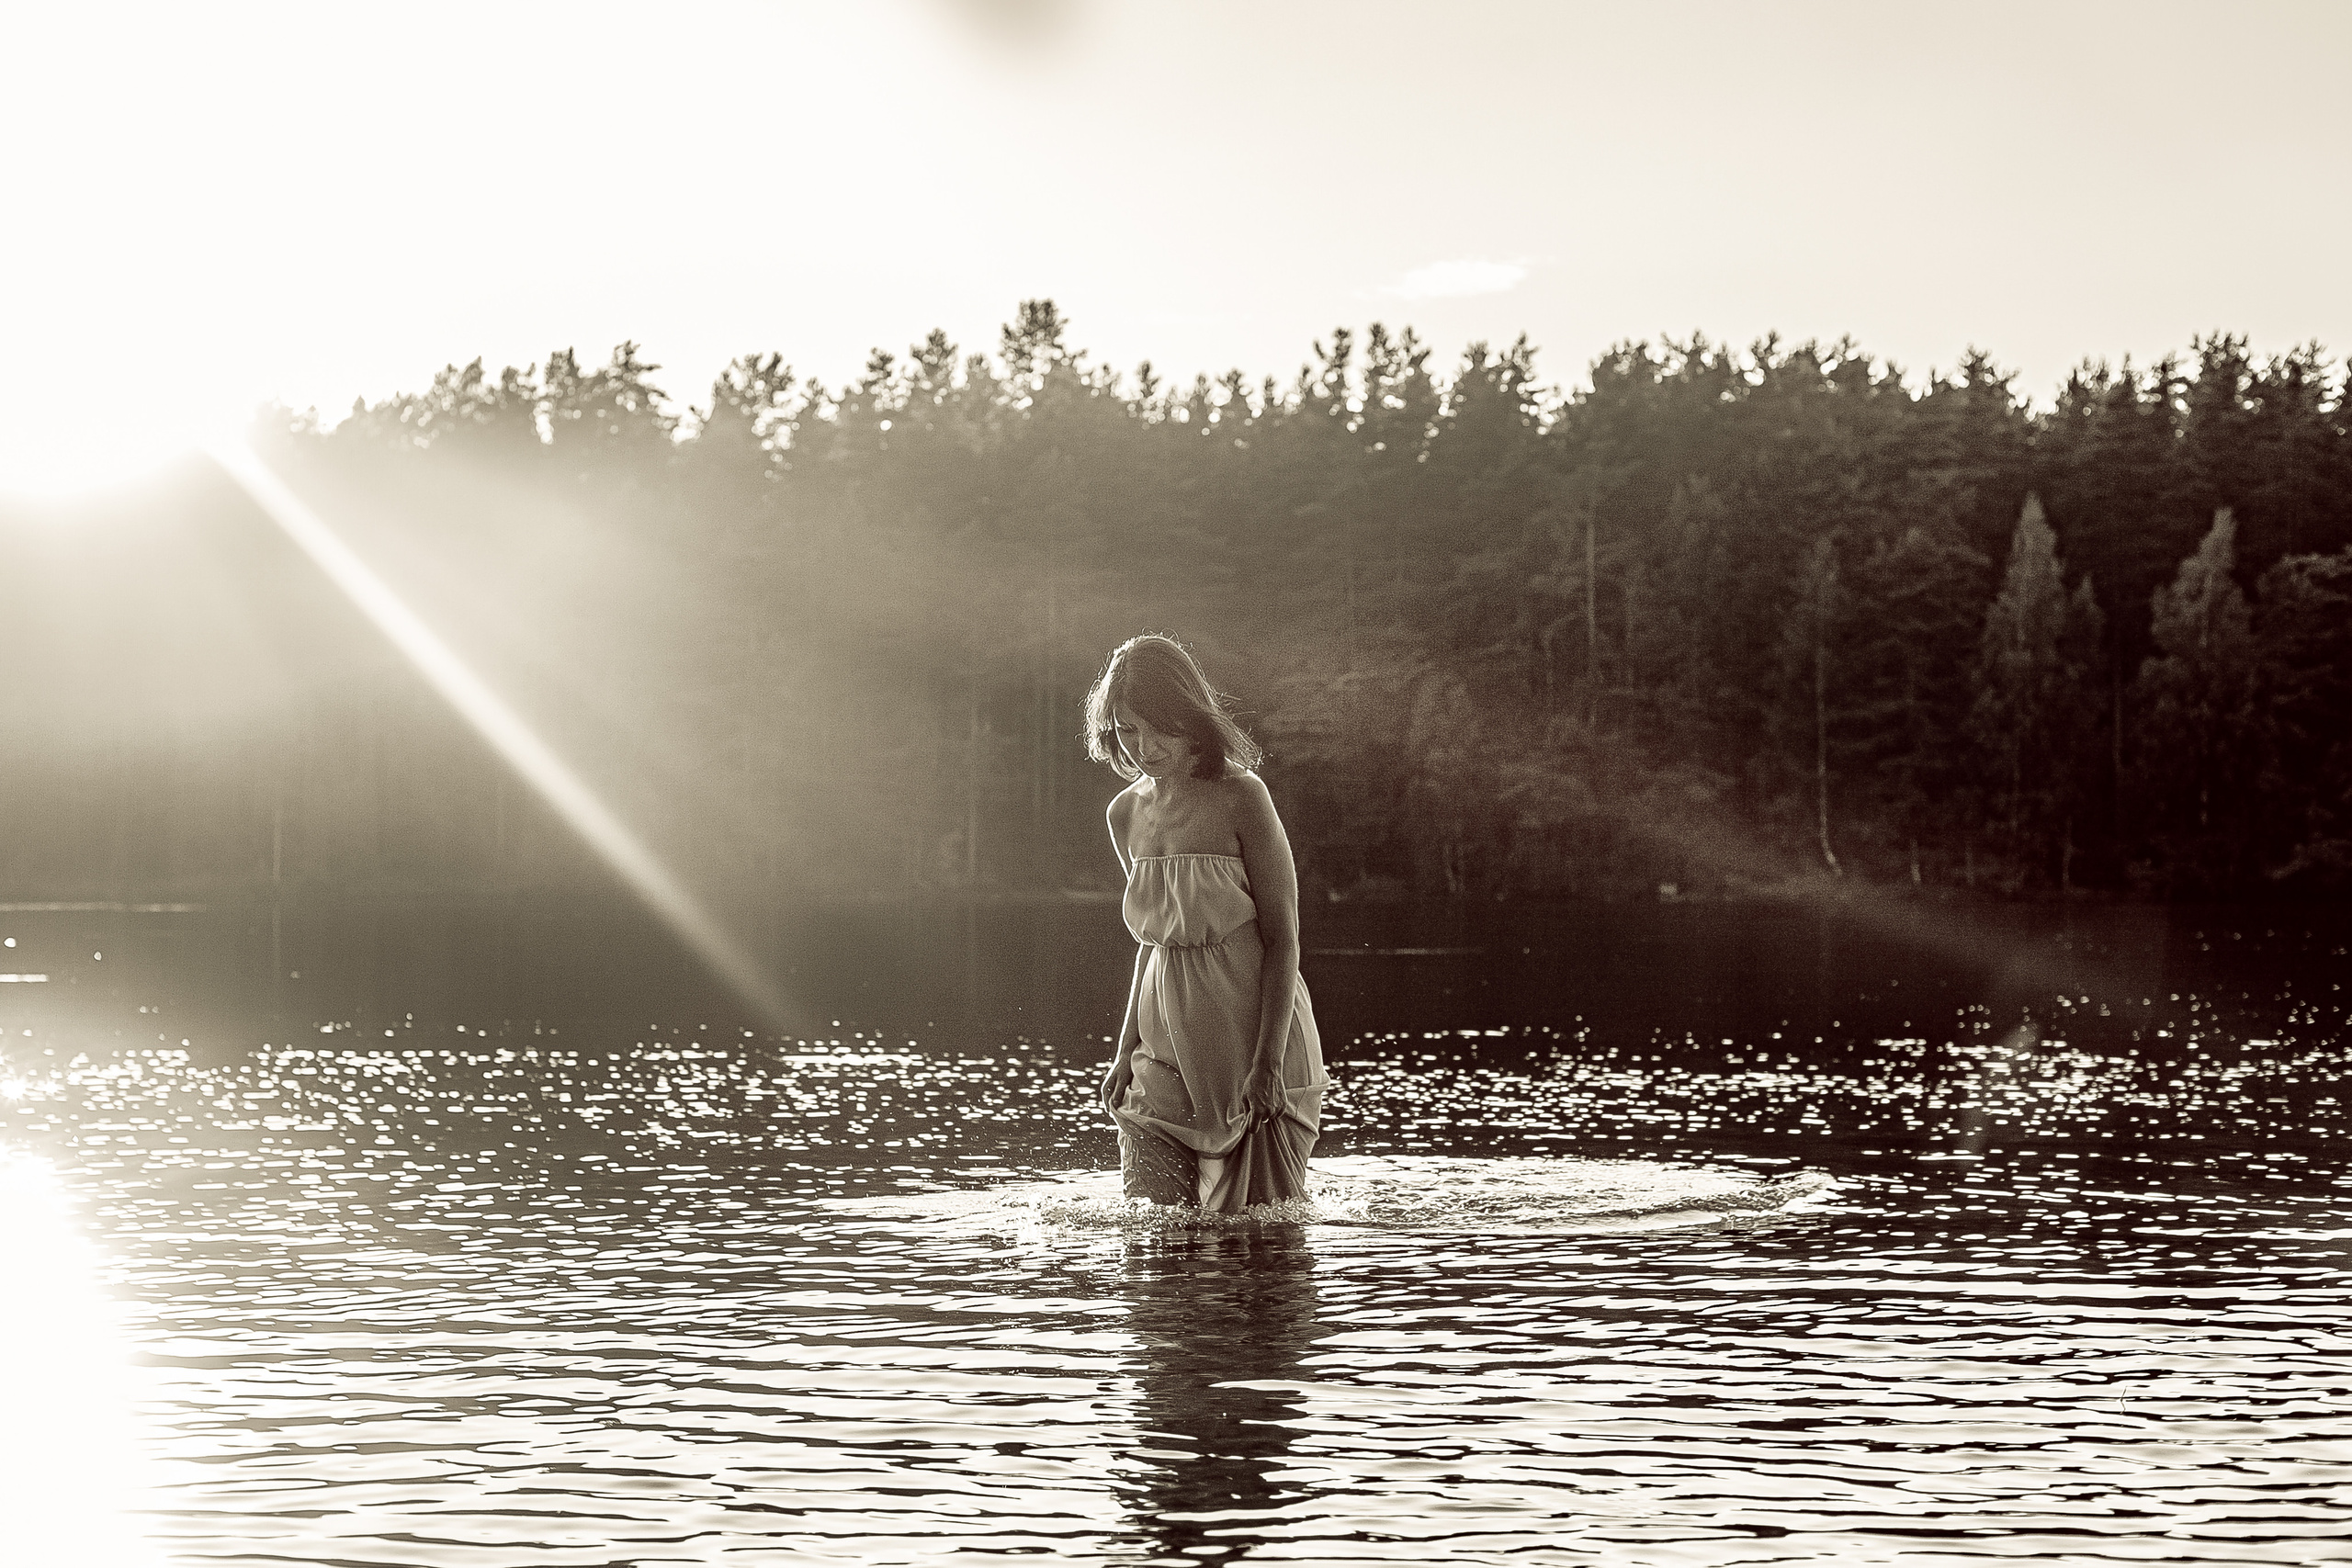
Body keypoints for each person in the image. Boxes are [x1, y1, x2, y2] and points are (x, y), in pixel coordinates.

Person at [1084, 634, 1327, 1212]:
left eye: (1157, 727)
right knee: (1155, 1235)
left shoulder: (1243, 796)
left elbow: (1283, 934)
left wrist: (1267, 1063)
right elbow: (1154, 938)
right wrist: (1124, 1053)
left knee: (1261, 1243)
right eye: (1127, 730)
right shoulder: (1126, 814)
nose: (1143, 747)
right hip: (1162, 1044)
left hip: (1254, 1041)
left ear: (1188, 716)